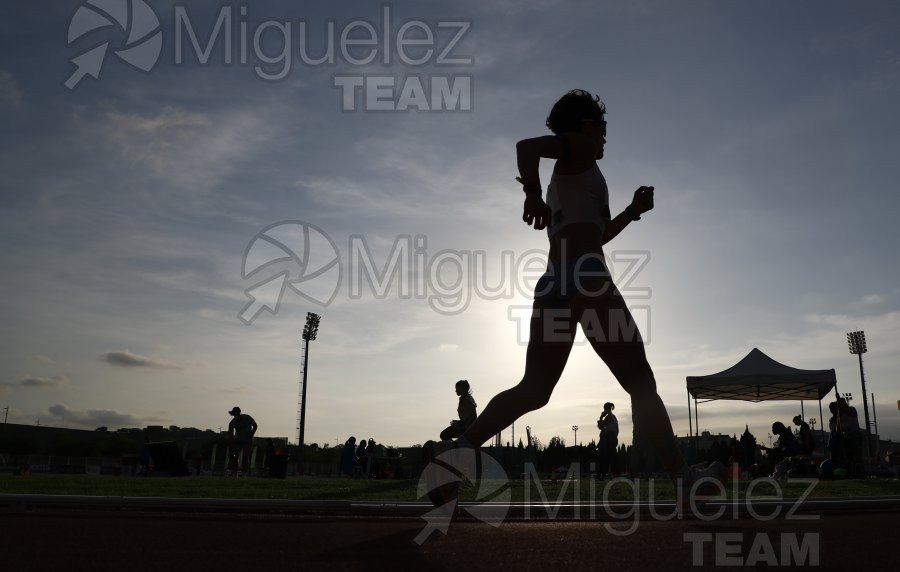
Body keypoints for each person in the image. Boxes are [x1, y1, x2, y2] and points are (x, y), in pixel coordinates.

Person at [423, 89, 725, 510]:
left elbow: (596, 234)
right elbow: (526, 147)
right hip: (588, 279)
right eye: (602, 128)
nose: (605, 138)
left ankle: (453, 456)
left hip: (553, 284)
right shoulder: (580, 148)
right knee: (642, 384)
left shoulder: (575, 174)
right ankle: (682, 479)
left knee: (534, 390)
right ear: (585, 125)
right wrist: (528, 193)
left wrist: (631, 213)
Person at [226, 406, 257, 476]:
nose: (235, 416)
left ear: (239, 412)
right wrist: (231, 444)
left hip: (247, 440)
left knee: (245, 456)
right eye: (234, 414)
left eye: (236, 414)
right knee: (235, 456)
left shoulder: (247, 417)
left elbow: (255, 425)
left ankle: (244, 472)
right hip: (238, 441)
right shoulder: (232, 422)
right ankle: (234, 472)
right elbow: (230, 434)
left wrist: (252, 433)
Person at [596, 402, 619, 478]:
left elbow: (601, 426)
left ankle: (604, 474)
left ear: (605, 409)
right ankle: (613, 473)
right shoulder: (613, 417)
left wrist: (601, 417)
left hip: (610, 437)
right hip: (613, 437)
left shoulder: (609, 417)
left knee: (606, 456)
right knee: (612, 456)